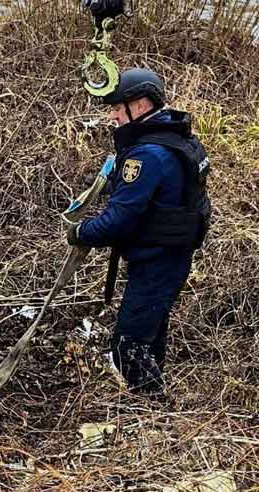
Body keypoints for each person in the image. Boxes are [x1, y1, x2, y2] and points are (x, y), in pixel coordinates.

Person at [67, 68, 211, 395]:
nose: (114, 114)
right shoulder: (177, 137)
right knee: (150, 333)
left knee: (127, 346)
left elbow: (119, 219)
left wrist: (80, 232)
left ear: (141, 105)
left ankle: (153, 413)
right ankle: (150, 404)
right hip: (169, 256)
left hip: (157, 261)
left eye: (119, 107)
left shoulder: (148, 154)